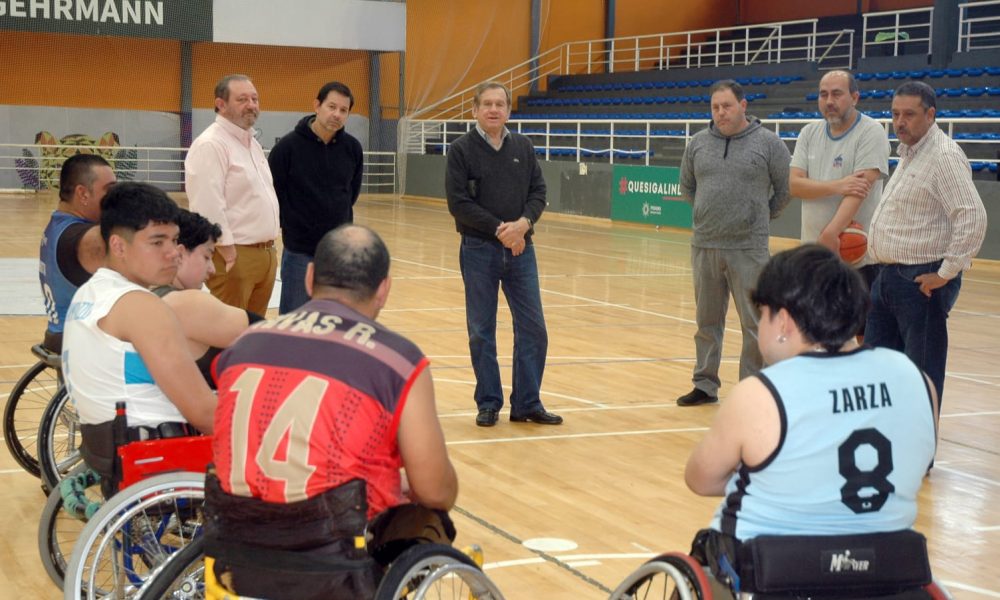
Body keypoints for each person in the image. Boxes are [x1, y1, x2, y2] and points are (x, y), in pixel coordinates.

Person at [206, 224, 458, 599]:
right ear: (384, 289)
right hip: (335, 568)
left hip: (238, 557)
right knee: (430, 515)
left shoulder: (245, 344)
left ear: (309, 278)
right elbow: (435, 491)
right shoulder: (397, 361)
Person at [684, 245, 938, 589]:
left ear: (784, 321)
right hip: (888, 570)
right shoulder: (918, 380)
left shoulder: (761, 394)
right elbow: (915, 464)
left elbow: (701, 480)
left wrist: (783, 483)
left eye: (763, 314)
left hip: (774, 571)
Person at [63, 182, 217, 490]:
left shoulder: (88, 294)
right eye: (157, 242)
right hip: (155, 453)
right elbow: (203, 413)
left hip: (106, 447)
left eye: (174, 240)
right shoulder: (142, 306)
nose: (173, 253)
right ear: (119, 246)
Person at [445, 81, 561, 427]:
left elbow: (539, 191)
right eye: (487, 104)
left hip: (522, 249)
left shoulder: (523, 147)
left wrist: (523, 224)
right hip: (479, 249)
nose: (494, 110)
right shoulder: (461, 150)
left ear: (509, 110)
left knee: (533, 328)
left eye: (500, 104)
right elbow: (458, 204)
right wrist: (502, 230)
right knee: (481, 330)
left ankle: (527, 402)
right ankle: (489, 402)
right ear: (475, 110)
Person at [866, 81, 987, 406]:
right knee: (875, 372)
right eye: (894, 114)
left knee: (921, 376)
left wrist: (945, 273)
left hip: (921, 283)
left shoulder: (943, 156)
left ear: (930, 115)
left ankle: (918, 452)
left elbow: (972, 216)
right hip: (889, 278)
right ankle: (884, 446)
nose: (900, 122)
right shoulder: (910, 153)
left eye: (909, 114)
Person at [676, 79, 791, 407]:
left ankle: (752, 389)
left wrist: (757, 218)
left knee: (754, 323)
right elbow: (687, 187)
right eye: (715, 107)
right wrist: (706, 215)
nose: (720, 113)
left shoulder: (769, 144)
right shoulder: (697, 143)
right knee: (706, 322)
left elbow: (784, 191)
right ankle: (704, 383)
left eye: (726, 106)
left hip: (749, 248)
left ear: (743, 106)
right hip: (705, 244)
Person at [185, 73, 280, 316]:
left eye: (255, 99)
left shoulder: (253, 144)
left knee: (253, 333)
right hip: (234, 256)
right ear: (221, 104)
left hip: (265, 255)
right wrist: (226, 249)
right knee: (227, 334)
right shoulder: (211, 144)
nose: (251, 105)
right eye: (242, 99)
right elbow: (207, 204)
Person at [268, 81, 364, 314]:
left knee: (333, 321)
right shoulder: (287, 148)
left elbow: (351, 193)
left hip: (338, 253)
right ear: (317, 105)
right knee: (294, 321)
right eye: (332, 107)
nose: (337, 114)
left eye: (344, 110)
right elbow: (274, 194)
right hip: (300, 251)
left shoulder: (352, 148)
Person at [789, 70, 890, 290]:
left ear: (855, 98)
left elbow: (857, 192)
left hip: (857, 260)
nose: (829, 101)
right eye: (823, 95)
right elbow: (795, 185)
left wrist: (830, 234)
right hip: (815, 257)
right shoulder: (808, 133)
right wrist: (838, 185)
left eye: (836, 94)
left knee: (859, 324)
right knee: (816, 324)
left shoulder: (871, 132)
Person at [153, 209, 263, 387]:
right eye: (207, 256)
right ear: (180, 254)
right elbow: (268, 332)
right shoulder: (187, 303)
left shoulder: (145, 292)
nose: (212, 269)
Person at [39, 153, 117, 353]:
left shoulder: (57, 226)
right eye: (110, 191)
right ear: (82, 194)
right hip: (80, 339)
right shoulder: (86, 239)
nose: (115, 199)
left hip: (61, 332)